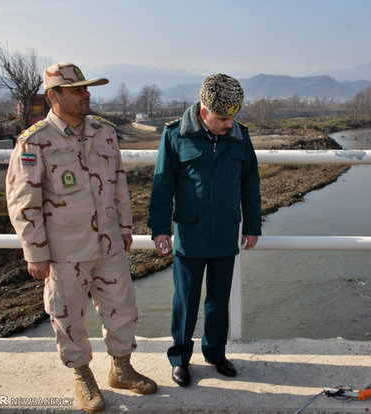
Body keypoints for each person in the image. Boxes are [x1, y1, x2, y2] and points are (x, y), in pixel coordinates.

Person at [6, 62, 156, 413]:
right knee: (67, 315)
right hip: (64, 252)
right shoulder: (35, 141)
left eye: (87, 89)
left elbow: (119, 184)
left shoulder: (104, 132)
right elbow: (23, 199)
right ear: (53, 96)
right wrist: (35, 252)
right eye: (78, 90)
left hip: (108, 245)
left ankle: (121, 368)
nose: (86, 94)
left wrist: (124, 229)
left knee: (122, 308)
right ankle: (82, 376)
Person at [148, 73, 262, 387]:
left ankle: (215, 353)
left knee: (218, 301)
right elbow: (162, 186)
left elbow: (250, 185)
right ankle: (180, 359)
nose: (230, 124)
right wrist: (160, 229)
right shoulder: (175, 135)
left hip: (227, 233)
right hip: (190, 234)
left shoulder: (239, 136)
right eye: (223, 119)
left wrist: (252, 226)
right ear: (203, 113)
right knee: (185, 300)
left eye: (233, 117)